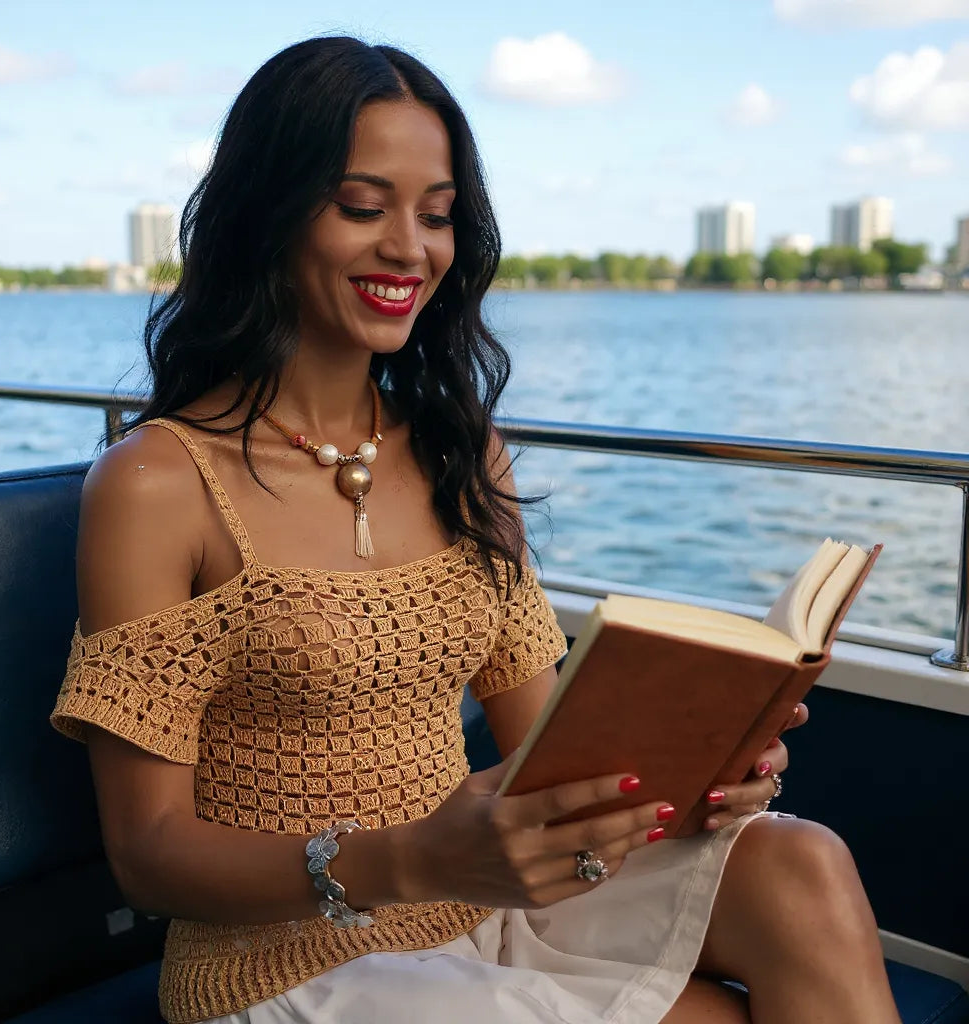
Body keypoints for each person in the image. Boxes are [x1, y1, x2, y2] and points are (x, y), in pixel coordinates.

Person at [51, 37, 901, 1024]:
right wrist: (406, 857)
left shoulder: (465, 454)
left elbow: (539, 744)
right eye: (361, 207)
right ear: (266, 214)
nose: (410, 247)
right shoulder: (156, 483)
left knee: (800, 863)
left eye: (438, 214)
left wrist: (697, 761)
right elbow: (148, 855)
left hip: (483, 899)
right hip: (280, 966)